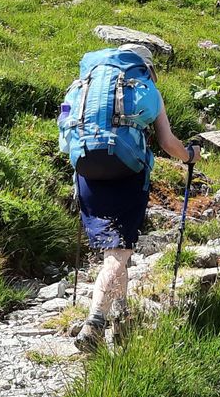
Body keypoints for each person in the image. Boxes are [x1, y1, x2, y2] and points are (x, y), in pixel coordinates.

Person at [68, 43, 199, 353]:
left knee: (113, 250)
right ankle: (95, 322)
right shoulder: (146, 89)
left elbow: (66, 130)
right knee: (118, 251)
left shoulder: (82, 86)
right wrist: (190, 155)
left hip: (85, 167)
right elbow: (168, 143)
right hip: (128, 171)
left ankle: (121, 313)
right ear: (145, 69)